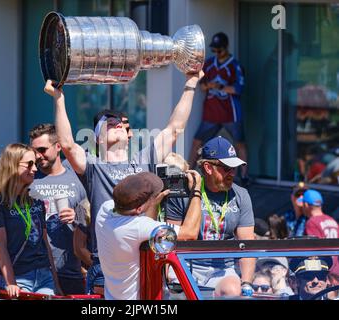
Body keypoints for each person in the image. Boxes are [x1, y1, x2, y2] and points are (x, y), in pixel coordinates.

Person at [44, 69, 203, 294]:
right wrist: (59, 98)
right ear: (97, 137)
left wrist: (191, 83)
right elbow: (68, 143)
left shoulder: (142, 161)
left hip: (148, 254)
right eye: (109, 123)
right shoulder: (94, 168)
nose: (117, 123)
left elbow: (174, 129)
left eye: (120, 122)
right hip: (107, 263)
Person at [168, 136, 255, 295]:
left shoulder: (241, 195)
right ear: (208, 168)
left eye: (234, 168)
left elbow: (247, 245)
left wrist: (247, 283)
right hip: (185, 265)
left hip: (223, 270)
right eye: (227, 168)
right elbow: (171, 239)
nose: (232, 174)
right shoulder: (181, 192)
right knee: (178, 294)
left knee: (232, 291)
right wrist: (170, 275)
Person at [95, 171, 202, 300]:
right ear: (139, 209)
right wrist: (196, 191)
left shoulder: (105, 210)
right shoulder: (137, 227)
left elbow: (143, 224)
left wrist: (152, 204)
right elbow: (190, 233)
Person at [0, 143, 60, 298]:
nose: (35, 169)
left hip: (44, 276)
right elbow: (0, 246)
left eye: (35, 164)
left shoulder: (35, 199)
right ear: (12, 165)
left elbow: (44, 243)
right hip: (17, 278)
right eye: (29, 164)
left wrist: (56, 283)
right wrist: (11, 283)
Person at [28, 123, 87, 295]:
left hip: (73, 270)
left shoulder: (78, 177)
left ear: (58, 146)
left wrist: (77, 216)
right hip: (37, 271)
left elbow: (93, 218)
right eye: (34, 151)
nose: (38, 156)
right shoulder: (29, 179)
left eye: (43, 149)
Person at [188, 32, 248, 185]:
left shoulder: (235, 65)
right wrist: (209, 85)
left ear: (226, 48)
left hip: (231, 114)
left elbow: (238, 89)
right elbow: (202, 85)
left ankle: (244, 176)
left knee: (239, 143)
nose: (216, 53)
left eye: (219, 50)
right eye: (214, 50)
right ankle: (187, 172)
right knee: (197, 142)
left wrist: (220, 86)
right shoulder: (209, 63)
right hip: (211, 113)